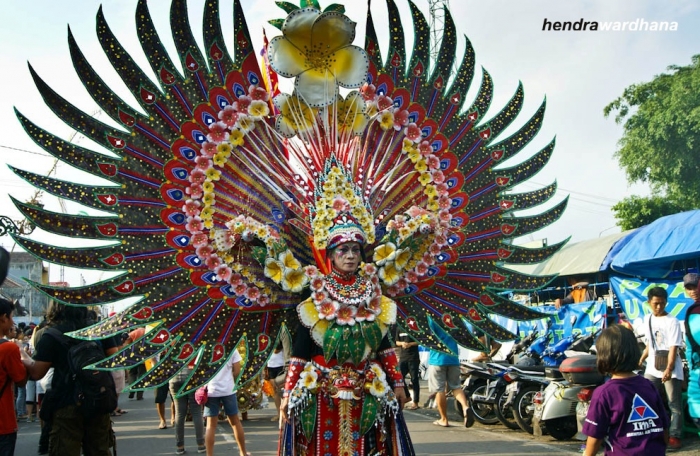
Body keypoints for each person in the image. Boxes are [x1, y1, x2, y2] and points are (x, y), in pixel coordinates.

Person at [279, 215, 412, 456]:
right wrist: (288, 392)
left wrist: (398, 382)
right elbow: (301, 347)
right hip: (321, 389)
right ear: (330, 255)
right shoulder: (315, 291)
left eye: (355, 250)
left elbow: (383, 343)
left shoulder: (372, 290)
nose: (350, 256)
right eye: (343, 250)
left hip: (366, 387)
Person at [20, 302, 119, 456]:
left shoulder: (52, 335)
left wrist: (24, 358)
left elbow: (37, 373)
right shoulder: (99, 329)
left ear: (56, 310)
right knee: (99, 450)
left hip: (66, 403)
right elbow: (114, 357)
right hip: (98, 399)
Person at [582, 324, 668, 455]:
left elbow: (594, 439)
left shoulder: (603, 394)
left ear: (604, 356)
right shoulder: (649, 386)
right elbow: (664, 429)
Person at [638, 286, 683, 450]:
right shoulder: (648, 318)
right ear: (649, 302)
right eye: (656, 303)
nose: (659, 307)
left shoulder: (672, 321)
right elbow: (650, 343)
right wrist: (641, 358)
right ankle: (655, 432)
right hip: (652, 367)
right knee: (648, 399)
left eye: (662, 303)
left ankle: (675, 436)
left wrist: (669, 369)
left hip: (671, 367)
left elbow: (673, 348)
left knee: (674, 403)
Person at [202, 348, 249, 456]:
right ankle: (243, 452)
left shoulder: (205, 348)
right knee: (235, 422)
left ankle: (209, 454)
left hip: (211, 390)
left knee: (210, 425)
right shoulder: (231, 347)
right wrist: (228, 379)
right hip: (228, 389)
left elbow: (199, 369)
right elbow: (237, 370)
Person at [427, 320, 473, 428]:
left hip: (437, 358)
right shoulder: (453, 317)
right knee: (456, 387)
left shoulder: (431, 319)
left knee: (439, 389)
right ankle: (465, 407)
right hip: (453, 358)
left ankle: (444, 419)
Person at [0, 298, 28, 456]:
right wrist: (23, 355)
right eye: (11, 317)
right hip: (3, 423)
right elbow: (21, 380)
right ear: (3, 317)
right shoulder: (8, 349)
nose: (12, 322)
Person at [169, 365, 205, 455]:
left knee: (179, 413)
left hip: (174, 376)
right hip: (191, 374)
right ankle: (201, 445)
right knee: (196, 411)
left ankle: (179, 447)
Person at [683, 273, 700, 430]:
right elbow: (689, 348)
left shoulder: (694, 312)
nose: (693, 291)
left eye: (695, 286)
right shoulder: (692, 311)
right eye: (689, 288)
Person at [394, 325, 421, 409]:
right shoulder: (399, 328)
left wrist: (410, 344)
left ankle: (415, 402)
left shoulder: (414, 327)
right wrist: (402, 343)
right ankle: (407, 396)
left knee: (414, 379)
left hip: (413, 358)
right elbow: (396, 342)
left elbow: (419, 341)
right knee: (400, 377)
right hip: (403, 357)